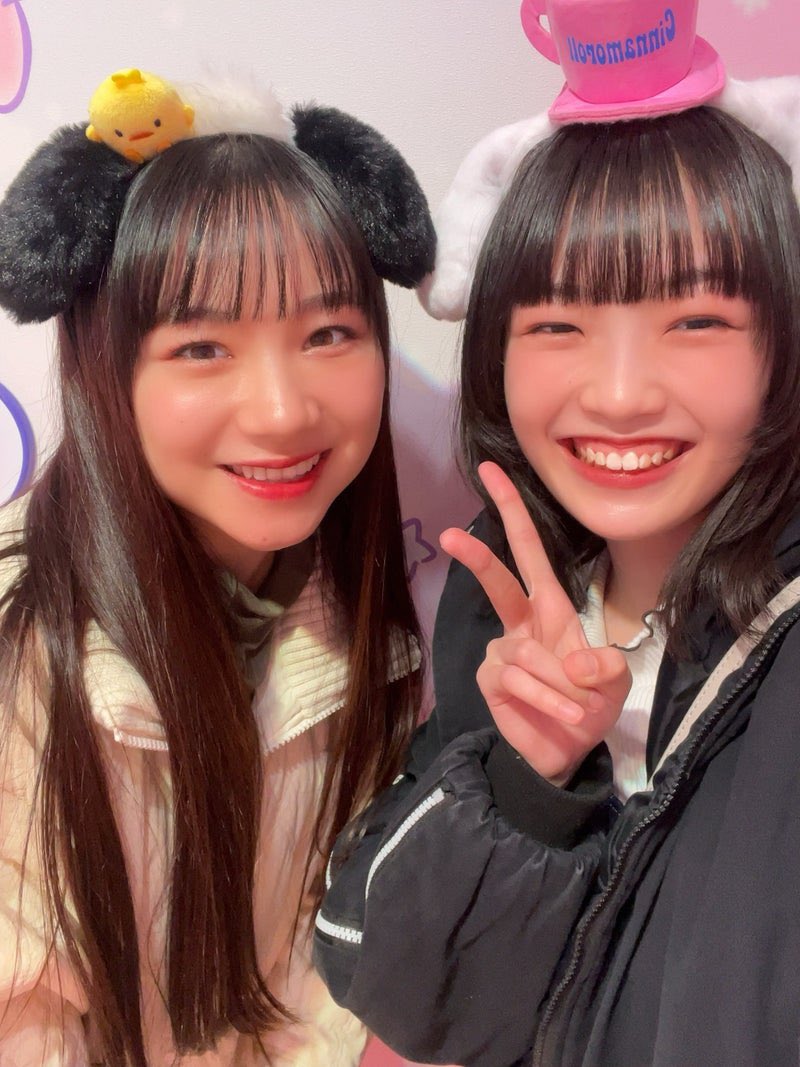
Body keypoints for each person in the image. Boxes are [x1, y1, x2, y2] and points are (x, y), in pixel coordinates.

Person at [313, 10, 800, 1066]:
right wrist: (527, 781)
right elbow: (402, 990)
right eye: (556, 324)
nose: (618, 394)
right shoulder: (502, 591)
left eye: (697, 320)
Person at [0, 71, 435, 1066]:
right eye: (202, 346)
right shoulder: (25, 634)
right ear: (107, 365)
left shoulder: (357, 616)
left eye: (328, 333)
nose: (282, 409)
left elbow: (316, 978)